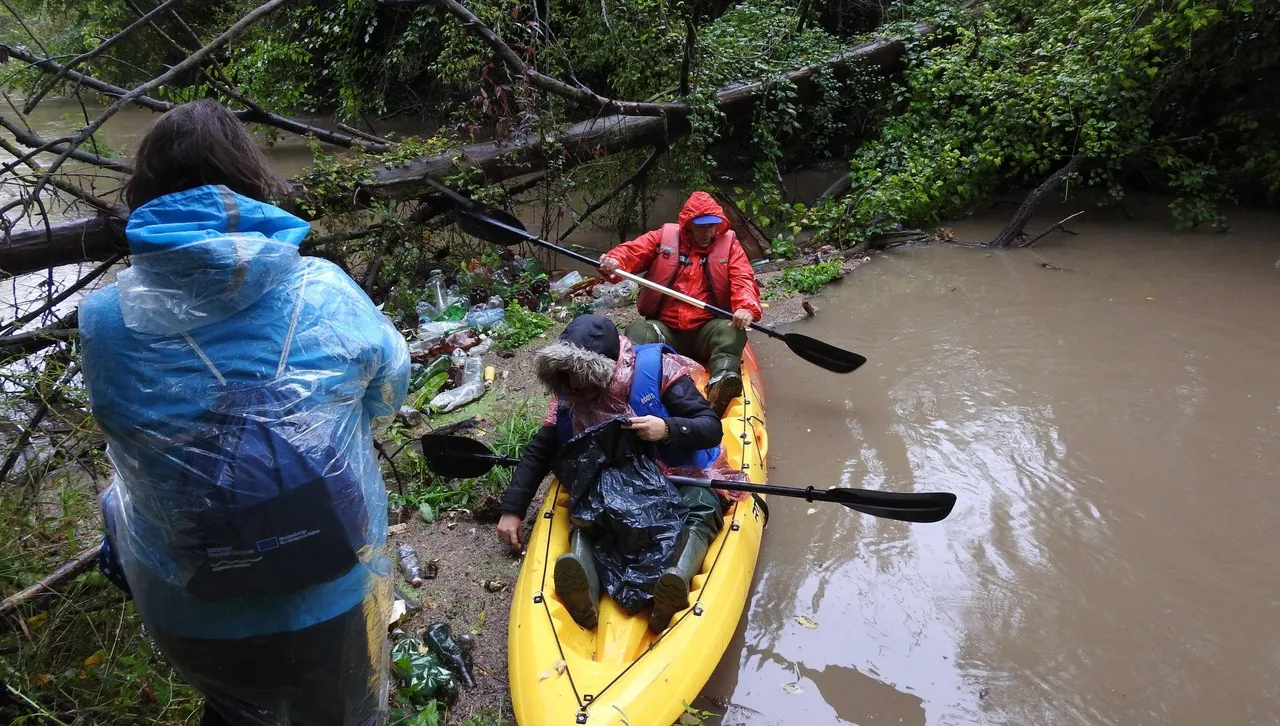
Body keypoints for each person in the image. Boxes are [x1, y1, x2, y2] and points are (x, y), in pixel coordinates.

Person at [79, 99, 409, 726]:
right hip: (329, 582)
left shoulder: (104, 318)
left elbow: (122, 432)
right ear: (255, 182)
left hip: (193, 598)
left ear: (145, 192)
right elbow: (389, 391)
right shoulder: (325, 290)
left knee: (234, 713)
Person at [496, 314, 727, 634]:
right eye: (568, 380)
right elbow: (540, 452)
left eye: (582, 381)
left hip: (674, 474)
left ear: (602, 371)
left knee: (703, 503)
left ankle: (675, 580)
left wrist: (667, 428)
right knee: (586, 513)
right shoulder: (567, 396)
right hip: (614, 487)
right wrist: (513, 509)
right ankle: (584, 588)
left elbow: (710, 427)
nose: (575, 390)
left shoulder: (657, 371)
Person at [598, 191, 763, 414]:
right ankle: (635, 389)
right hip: (666, 330)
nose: (708, 232)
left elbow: (743, 279)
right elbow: (632, 251)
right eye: (701, 226)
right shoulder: (662, 239)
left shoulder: (730, 246)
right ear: (688, 225)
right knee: (637, 330)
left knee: (731, 331)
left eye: (712, 226)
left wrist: (746, 307)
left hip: (707, 329)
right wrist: (614, 261)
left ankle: (721, 382)